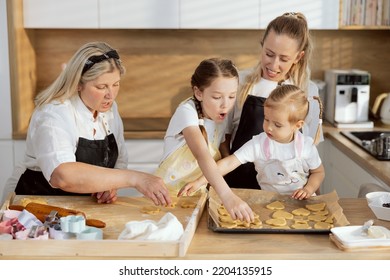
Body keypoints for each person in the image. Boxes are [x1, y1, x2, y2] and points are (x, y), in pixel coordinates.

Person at [4, 41, 171, 206]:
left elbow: (119, 160)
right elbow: (63, 175)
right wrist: (135, 178)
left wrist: (109, 186)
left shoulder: (110, 110)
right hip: (34, 203)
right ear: (78, 84)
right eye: (101, 87)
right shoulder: (54, 113)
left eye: (116, 84)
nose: (110, 95)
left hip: (81, 206)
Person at [222, 12, 323, 189]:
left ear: (298, 57)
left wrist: (311, 191)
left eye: (284, 59)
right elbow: (223, 136)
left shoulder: (309, 91)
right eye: (269, 54)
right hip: (239, 183)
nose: (274, 65)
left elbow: (311, 150)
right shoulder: (239, 82)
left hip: (288, 189)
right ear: (262, 46)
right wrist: (224, 181)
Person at [180, 84, 325, 199]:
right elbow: (228, 163)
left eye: (277, 125)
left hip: (302, 203)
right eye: (266, 119)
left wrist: (308, 189)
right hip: (270, 203)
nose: (269, 127)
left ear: (297, 125)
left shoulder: (306, 146)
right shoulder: (259, 144)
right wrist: (199, 182)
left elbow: (318, 173)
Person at [154, 58, 254, 222]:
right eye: (217, 97)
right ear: (198, 93)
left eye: (231, 96)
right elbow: (203, 156)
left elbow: (222, 157)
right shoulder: (187, 112)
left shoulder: (221, 117)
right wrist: (228, 196)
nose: (225, 105)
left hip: (198, 197)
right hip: (166, 196)